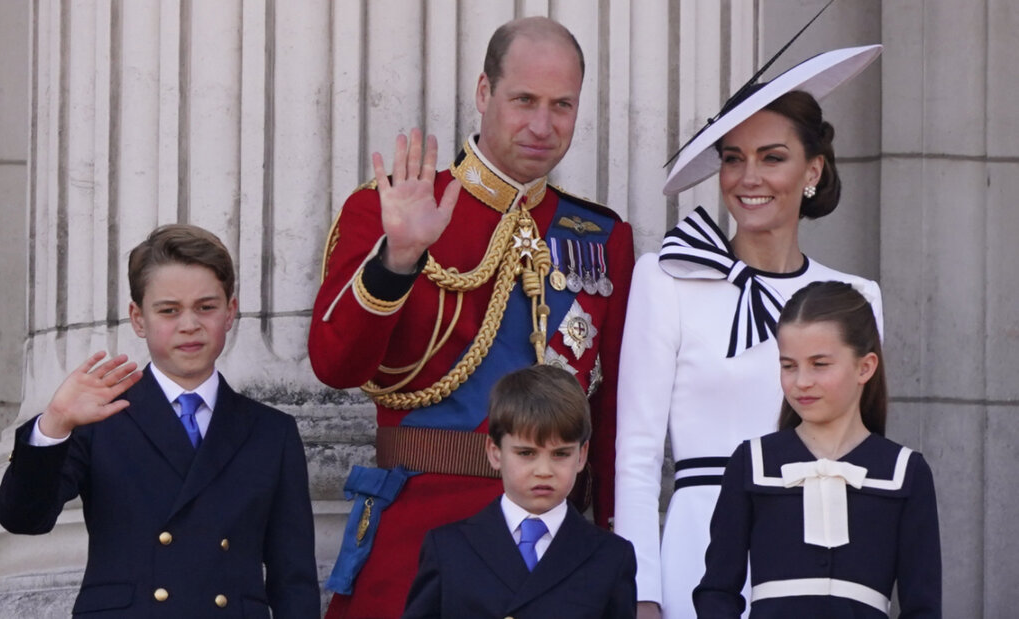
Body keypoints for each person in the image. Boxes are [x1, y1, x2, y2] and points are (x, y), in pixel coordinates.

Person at [309, 16, 634, 618]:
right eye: (524, 101)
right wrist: (399, 256)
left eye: (562, 105)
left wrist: (615, 543)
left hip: (553, 550)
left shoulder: (601, 237)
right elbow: (335, 363)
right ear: (484, 94)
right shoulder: (391, 206)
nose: (543, 125)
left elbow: (610, 415)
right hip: (416, 540)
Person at [613, 45, 885, 619]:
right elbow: (636, 455)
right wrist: (642, 593)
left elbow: (868, 457)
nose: (748, 177)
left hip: (821, 551)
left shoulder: (857, 299)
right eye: (734, 158)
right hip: (698, 551)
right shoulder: (666, 278)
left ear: (812, 170)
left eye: (772, 157)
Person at [0, 224, 320, 618]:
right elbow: (24, 518)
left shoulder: (272, 432)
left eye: (206, 306)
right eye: (169, 310)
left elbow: (293, 580)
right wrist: (54, 423)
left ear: (230, 311)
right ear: (138, 318)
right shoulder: (99, 417)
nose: (189, 324)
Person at [693, 281, 941, 617]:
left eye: (820, 364)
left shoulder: (904, 472)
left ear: (865, 367)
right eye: (789, 365)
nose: (802, 382)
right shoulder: (751, 463)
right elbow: (717, 591)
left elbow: (922, 607)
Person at [402, 365, 637, 618]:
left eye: (560, 454)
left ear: (581, 456)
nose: (544, 470)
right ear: (495, 453)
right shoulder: (448, 549)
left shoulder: (611, 557)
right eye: (526, 453)